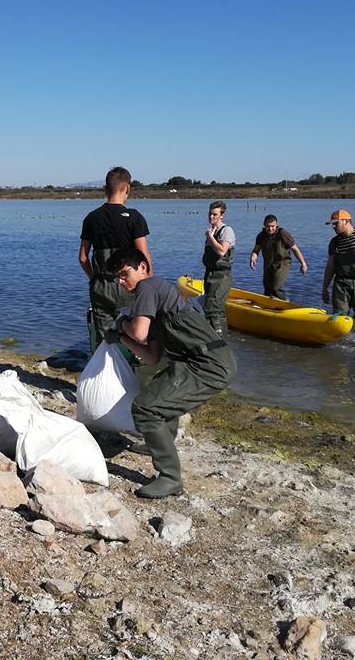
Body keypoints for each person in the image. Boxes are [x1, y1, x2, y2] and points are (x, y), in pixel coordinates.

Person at [103, 248, 235, 499]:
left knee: (145, 407)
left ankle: (170, 478)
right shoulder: (151, 301)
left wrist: (122, 323)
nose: (121, 281)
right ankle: (160, 441)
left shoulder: (148, 286)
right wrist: (120, 337)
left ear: (142, 267)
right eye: (117, 278)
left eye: (124, 274)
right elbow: (152, 356)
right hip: (201, 361)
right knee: (160, 389)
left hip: (210, 364)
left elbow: (139, 332)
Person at [78, 167, 151, 350]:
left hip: (101, 286)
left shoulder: (91, 218)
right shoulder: (134, 217)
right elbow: (143, 255)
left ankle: (105, 364)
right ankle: (135, 364)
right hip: (128, 284)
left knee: (105, 340)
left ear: (105, 189)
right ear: (127, 189)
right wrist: (149, 283)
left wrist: (94, 279)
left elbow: (83, 258)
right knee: (136, 334)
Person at [249, 214, 308, 299]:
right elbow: (256, 249)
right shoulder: (261, 236)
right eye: (268, 226)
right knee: (267, 288)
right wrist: (253, 257)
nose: (270, 229)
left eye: (273, 226)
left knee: (276, 287)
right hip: (268, 264)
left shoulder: (283, 234)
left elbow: (295, 249)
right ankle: (267, 305)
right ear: (264, 225)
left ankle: (283, 304)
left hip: (282, 263)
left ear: (276, 225)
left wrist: (303, 263)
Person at [202, 201, 235, 337]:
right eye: (210, 214)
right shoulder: (211, 231)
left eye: (214, 214)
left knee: (214, 309)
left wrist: (210, 237)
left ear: (222, 215)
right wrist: (210, 236)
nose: (211, 217)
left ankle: (220, 340)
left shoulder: (226, 231)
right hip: (210, 274)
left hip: (221, 276)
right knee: (209, 308)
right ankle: (213, 338)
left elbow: (222, 251)